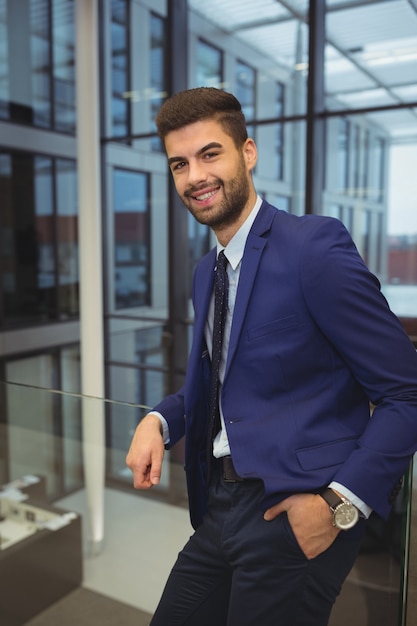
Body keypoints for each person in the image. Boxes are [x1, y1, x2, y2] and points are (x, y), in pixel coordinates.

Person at [126, 87, 417, 626]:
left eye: (210, 154)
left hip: (296, 512)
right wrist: (160, 419)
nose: (195, 177)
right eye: (179, 164)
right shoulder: (204, 271)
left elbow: (405, 392)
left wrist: (336, 507)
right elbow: (219, 385)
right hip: (219, 507)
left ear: (248, 152)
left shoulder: (313, 249)